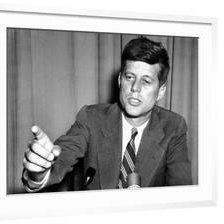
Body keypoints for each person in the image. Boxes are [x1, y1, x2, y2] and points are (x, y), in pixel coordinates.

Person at [21, 36, 192, 192]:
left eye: (146, 81)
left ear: (161, 91)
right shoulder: (91, 118)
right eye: (130, 77)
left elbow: (183, 194)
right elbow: (63, 155)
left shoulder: (174, 127)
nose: (135, 88)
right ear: (120, 80)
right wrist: (40, 172)